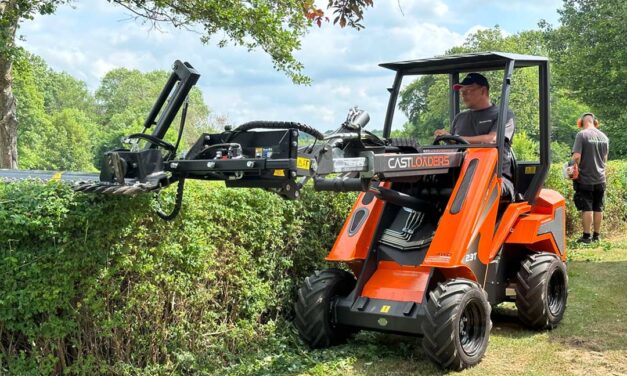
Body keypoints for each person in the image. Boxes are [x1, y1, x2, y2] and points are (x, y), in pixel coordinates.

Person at [434, 72, 516, 198]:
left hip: (494, 177)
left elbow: (491, 140)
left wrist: (457, 139)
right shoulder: (460, 118)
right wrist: (447, 138)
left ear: (483, 91)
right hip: (460, 176)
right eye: (462, 92)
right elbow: (455, 145)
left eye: (468, 91)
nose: (463, 95)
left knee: (473, 192)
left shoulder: (503, 114)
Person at [571, 112, 609, 243]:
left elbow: (576, 156)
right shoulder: (604, 137)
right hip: (601, 178)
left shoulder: (582, 135)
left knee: (587, 207)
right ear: (595, 122)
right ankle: (597, 236)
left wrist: (572, 169)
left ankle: (586, 237)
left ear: (581, 122)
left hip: (585, 178)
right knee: (598, 207)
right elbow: (605, 159)